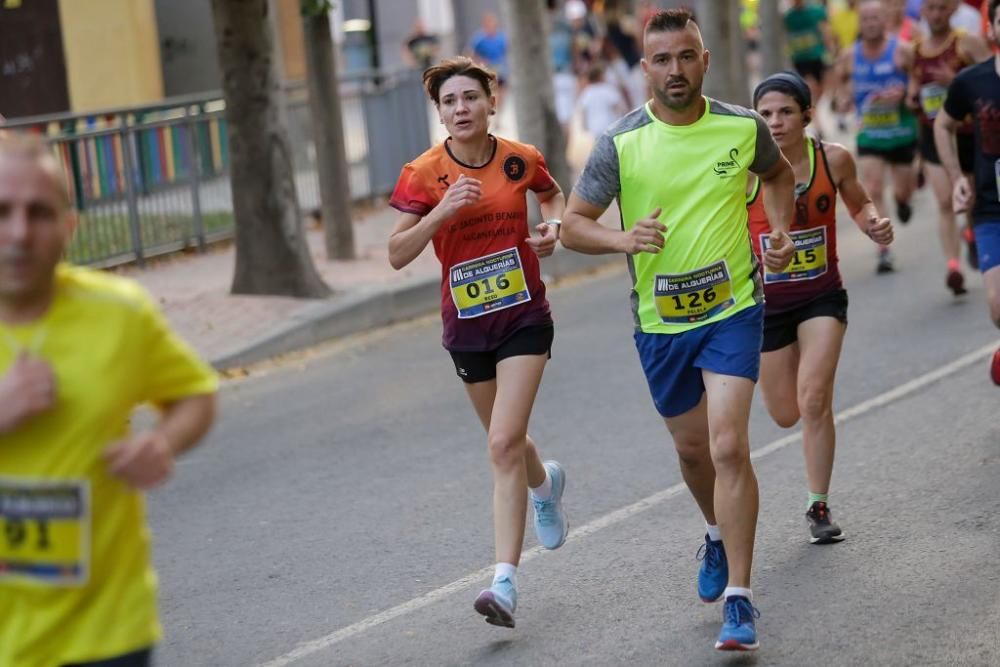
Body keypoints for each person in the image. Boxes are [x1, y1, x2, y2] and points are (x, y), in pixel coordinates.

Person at [562, 9, 797, 652]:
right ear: (645, 67)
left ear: (705, 59)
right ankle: (715, 533)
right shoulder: (620, 142)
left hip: (733, 309)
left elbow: (780, 177)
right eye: (661, 60)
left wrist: (776, 232)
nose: (675, 70)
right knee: (693, 452)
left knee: (727, 447)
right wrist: (621, 238)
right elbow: (572, 224)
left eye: (686, 56)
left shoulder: (742, 127)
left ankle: (741, 600)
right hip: (659, 322)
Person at [0, 133, 218, 666]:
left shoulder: (118, 314)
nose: (19, 233)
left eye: (40, 213)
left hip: (107, 630)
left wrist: (162, 443)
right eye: (2, 211)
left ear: (69, 226)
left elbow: (194, 395)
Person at [387, 56, 569, 629]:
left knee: (499, 444)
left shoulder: (520, 158)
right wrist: (442, 210)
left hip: (523, 318)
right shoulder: (421, 174)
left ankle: (504, 583)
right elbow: (396, 254)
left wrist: (552, 230)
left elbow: (554, 195)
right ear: (439, 113)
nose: (461, 109)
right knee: (507, 441)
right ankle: (546, 484)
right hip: (465, 326)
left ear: (492, 101)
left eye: (471, 97)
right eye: (449, 102)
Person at [748, 71, 894, 545]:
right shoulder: (744, 175)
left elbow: (860, 203)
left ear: (807, 115)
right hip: (767, 306)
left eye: (786, 111)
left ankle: (818, 504)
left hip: (821, 295)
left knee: (813, 398)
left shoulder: (833, 161)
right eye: (766, 113)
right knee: (785, 413)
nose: (776, 122)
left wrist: (872, 223)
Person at [935, 0, 1000, 383]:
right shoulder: (971, 81)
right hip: (992, 209)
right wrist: (958, 176)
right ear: (991, 29)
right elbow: (943, 124)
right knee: (996, 307)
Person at [910, 0, 992, 293]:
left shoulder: (966, 43)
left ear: (952, 11)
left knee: (968, 197)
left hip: (970, 133)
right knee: (945, 200)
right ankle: (953, 266)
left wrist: (955, 81)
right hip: (933, 133)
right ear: (923, 12)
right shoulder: (916, 50)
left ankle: (971, 232)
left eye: (942, 8)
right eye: (930, 8)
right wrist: (912, 98)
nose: (936, 14)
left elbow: (989, 80)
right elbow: (913, 87)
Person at [836, 0, 918, 273]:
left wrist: (905, 95)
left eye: (875, 19)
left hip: (901, 132)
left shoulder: (903, 51)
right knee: (873, 185)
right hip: (869, 134)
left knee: (903, 189)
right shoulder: (850, 55)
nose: (870, 24)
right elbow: (842, 86)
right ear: (860, 23)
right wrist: (845, 99)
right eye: (866, 19)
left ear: (886, 20)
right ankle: (884, 250)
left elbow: (918, 86)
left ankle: (903, 201)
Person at [785, 0, 838, 132]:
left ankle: (810, 110)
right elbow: (787, 37)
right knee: (812, 90)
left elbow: (825, 30)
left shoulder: (816, 11)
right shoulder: (788, 17)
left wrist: (831, 50)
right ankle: (819, 127)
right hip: (801, 60)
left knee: (821, 91)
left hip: (818, 57)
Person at [576, 62, 628, 138]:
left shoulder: (587, 92)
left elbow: (583, 110)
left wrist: (584, 125)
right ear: (600, 76)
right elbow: (619, 107)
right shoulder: (608, 89)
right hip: (609, 124)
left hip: (594, 127)